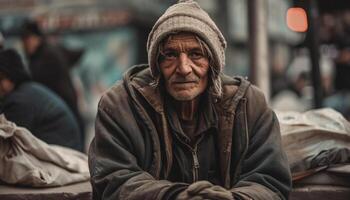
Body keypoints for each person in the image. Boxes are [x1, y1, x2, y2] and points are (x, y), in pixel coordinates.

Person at [88, 0, 292, 199]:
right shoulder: (121, 106)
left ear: (213, 64)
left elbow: (270, 181)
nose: (184, 69)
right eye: (170, 55)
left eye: (196, 54)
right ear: (156, 65)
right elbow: (114, 180)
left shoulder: (248, 105)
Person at [0, 49, 82, 151]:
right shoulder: (28, 90)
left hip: (61, 156)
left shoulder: (19, 101)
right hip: (67, 151)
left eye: (1, 78)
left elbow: (9, 142)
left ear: (12, 76)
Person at [20, 20, 85, 142]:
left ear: (37, 38)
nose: (25, 44)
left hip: (62, 116)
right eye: (23, 40)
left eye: (28, 39)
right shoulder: (53, 49)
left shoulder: (44, 57)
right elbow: (76, 54)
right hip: (69, 114)